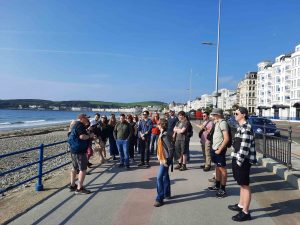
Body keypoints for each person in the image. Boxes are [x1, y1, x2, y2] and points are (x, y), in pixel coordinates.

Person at [229, 107, 257, 222]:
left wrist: (238, 162)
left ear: (243, 115)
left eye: (236, 113)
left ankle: (245, 212)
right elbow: (236, 144)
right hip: (238, 159)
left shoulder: (246, 128)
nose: (234, 115)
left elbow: (244, 148)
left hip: (243, 161)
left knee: (245, 185)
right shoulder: (240, 127)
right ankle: (241, 205)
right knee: (241, 184)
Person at [68, 113, 93, 194]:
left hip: (73, 149)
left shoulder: (75, 125)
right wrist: (90, 136)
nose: (88, 120)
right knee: (83, 169)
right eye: (86, 118)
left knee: (74, 168)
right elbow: (82, 136)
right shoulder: (80, 125)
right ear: (82, 118)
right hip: (80, 150)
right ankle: (79, 188)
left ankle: (72, 185)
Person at [208, 108, 230, 198]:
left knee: (222, 169)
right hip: (215, 148)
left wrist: (220, 149)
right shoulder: (216, 123)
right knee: (217, 167)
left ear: (218, 115)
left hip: (219, 149)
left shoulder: (223, 123)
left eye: (214, 114)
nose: (212, 116)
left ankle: (223, 189)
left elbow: (226, 138)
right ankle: (217, 185)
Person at [154, 118, 174, 207]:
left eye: (158, 124)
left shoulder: (165, 135)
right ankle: (167, 193)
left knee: (159, 178)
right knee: (165, 176)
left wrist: (168, 160)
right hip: (163, 158)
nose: (157, 125)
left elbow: (170, 148)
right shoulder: (163, 133)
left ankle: (159, 198)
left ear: (161, 125)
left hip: (165, 159)